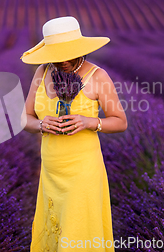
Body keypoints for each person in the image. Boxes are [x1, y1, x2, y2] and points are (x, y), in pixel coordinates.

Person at [20, 16, 127, 252]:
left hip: (82, 170)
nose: (64, 61)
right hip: (51, 169)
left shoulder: (98, 76)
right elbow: (24, 118)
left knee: (77, 236)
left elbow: (120, 122)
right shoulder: (42, 72)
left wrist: (90, 122)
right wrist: (40, 125)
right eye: (57, 55)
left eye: (69, 53)